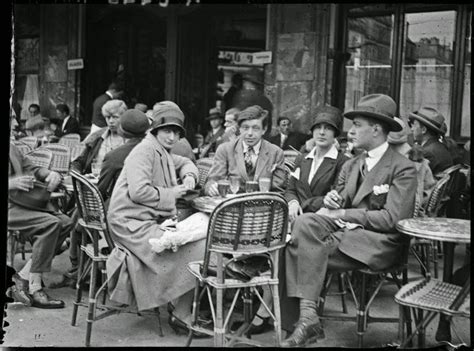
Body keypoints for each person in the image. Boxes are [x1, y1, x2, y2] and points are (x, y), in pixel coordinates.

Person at [280, 94, 417, 347]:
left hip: (379, 243)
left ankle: (304, 320)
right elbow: (342, 200)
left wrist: (342, 213)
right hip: (345, 235)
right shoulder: (354, 164)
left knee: (294, 248)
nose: (351, 131)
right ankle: (307, 318)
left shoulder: (403, 168)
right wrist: (334, 200)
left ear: (376, 129)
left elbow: (393, 219)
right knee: (305, 224)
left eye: (357, 125)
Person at [106, 101, 208, 334]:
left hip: (143, 220)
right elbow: (139, 191)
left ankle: (180, 306)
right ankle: (182, 314)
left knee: (195, 242)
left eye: (176, 133)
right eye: (167, 131)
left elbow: (182, 162)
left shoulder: (157, 150)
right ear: (155, 130)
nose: (172, 137)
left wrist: (190, 174)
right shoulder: (143, 151)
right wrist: (174, 192)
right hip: (130, 225)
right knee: (199, 247)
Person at [9, 141, 73, 308]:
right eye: (11, 118)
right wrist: (11, 183)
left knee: (66, 222)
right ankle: (35, 288)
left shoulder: (11, 146)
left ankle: (23, 277)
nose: (15, 123)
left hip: (17, 202)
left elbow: (31, 168)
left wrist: (48, 174)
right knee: (51, 224)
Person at [204, 105, 286, 196]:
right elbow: (212, 181)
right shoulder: (225, 150)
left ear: (264, 129)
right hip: (231, 205)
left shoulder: (276, 153)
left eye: (255, 128)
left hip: (262, 206)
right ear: (239, 128)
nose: (250, 133)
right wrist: (211, 188)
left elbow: (278, 191)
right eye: (245, 128)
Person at [285, 106, 349, 223]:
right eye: (318, 127)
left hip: (322, 221)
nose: (322, 132)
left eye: (328, 128)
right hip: (294, 218)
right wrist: (293, 203)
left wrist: (303, 205)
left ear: (335, 134)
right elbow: (291, 189)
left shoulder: (343, 162)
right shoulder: (302, 158)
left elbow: (336, 198)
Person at [96, 109, 150, 206]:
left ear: (122, 130)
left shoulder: (114, 156)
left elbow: (100, 191)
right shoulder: (157, 150)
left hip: (121, 209)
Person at [388, 117, 436, 216]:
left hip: (402, 219)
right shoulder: (421, 162)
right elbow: (428, 194)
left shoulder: (395, 164)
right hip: (417, 217)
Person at [71, 99, 127, 174]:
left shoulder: (130, 139)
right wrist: (78, 175)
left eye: (115, 117)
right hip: (94, 181)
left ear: (123, 117)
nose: (110, 121)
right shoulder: (97, 137)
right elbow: (79, 162)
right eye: (108, 117)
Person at [408, 107, 453, 176]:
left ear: (423, 130)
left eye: (414, 125)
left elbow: (415, 178)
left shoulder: (427, 153)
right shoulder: (441, 146)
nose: (412, 129)